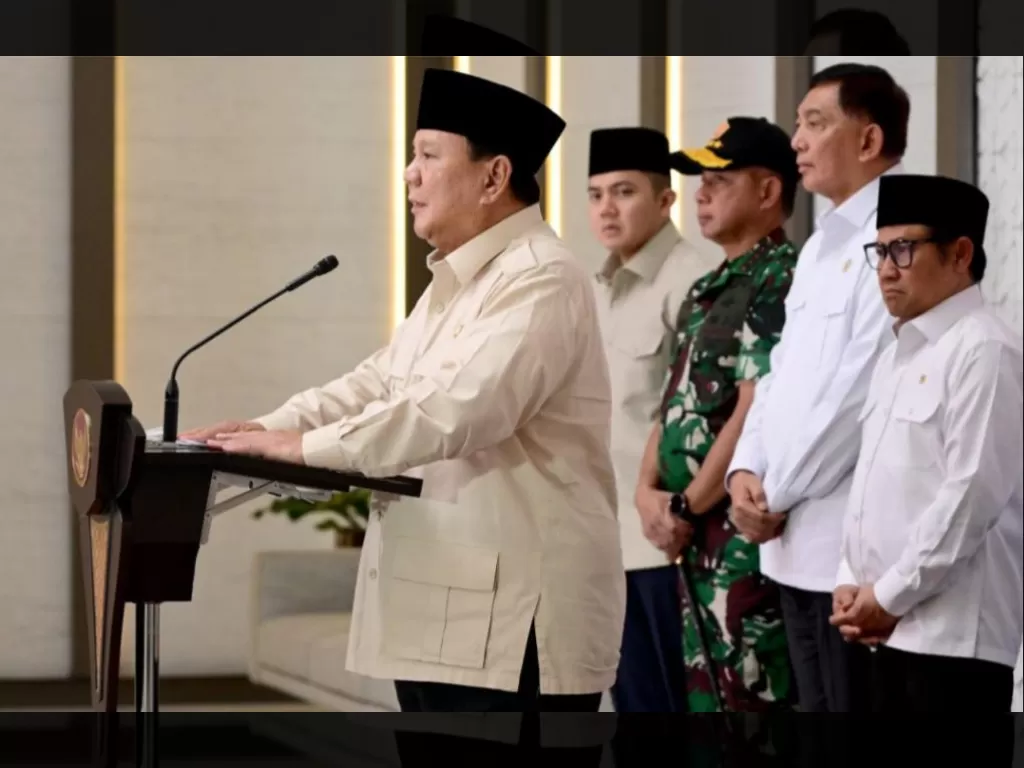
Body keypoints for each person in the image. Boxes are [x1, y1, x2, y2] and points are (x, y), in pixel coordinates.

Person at [183, 51, 624, 755]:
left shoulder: (541, 277)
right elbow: (378, 383)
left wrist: (301, 449)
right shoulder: (456, 283)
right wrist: (268, 427)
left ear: (494, 176)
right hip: (445, 608)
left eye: (427, 155)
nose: (408, 175)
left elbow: (458, 410)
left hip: (518, 624)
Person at [725, 63, 910, 713]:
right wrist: (745, 470)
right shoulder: (817, 245)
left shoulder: (892, 238)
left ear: (868, 140)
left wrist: (772, 494)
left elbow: (856, 397)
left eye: (815, 123)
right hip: (786, 542)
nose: (797, 140)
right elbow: (781, 372)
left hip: (845, 550)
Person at [830, 175, 1022, 765]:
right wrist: (850, 580)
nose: (886, 269)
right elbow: (871, 484)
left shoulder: (984, 348)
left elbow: (971, 498)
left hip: (951, 642)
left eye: (903, 249)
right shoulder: (898, 354)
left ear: (960, 253)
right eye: (880, 251)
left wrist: (887, 595)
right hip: (884, 632)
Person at [632, 116, 800, 714]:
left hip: (736, 540)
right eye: (700, 182)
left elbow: (755, 407)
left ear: (768, 190)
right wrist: (646, 492)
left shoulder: (780, 278)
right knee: (703, 709)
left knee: (752, 710)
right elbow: (672, 402)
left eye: (719, 180)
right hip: (692, 541)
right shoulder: (710, 288)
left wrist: (686, 504)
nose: (701, 194)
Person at [586, 126, 717, 713]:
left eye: (624, 192)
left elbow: (699, 416)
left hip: (664, 544)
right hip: (606, 541)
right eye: (595, 195)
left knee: (675, 714)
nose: (607, 209)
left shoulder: (692, 282)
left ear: (665, 200)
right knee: (635, 715)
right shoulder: (598, 287)